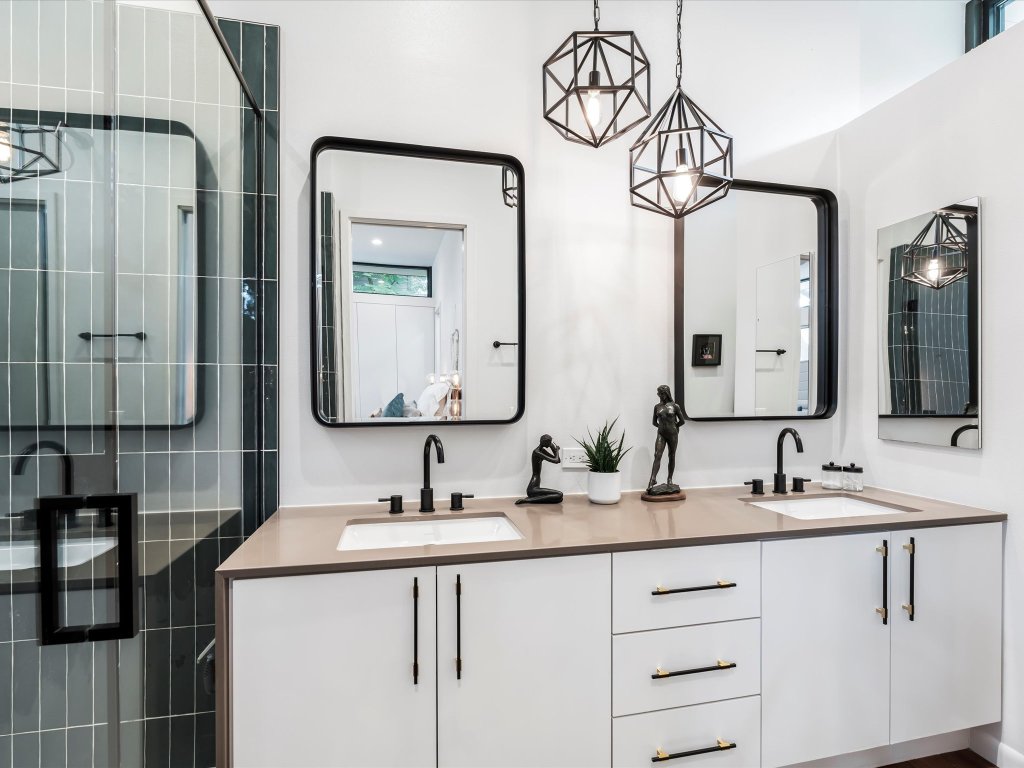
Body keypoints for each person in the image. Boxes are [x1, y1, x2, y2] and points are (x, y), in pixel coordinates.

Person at [647, 385, 684, 493]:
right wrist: (662, 427)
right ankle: (652, 479)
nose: (660, 396)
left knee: (671, 455)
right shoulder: (657, 407)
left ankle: (669, 479)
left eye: (661, 393)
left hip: (672, 434)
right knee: (657, 455)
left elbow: (682, 421)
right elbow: (654, 422)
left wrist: (675, 427)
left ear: (666, 393)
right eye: (659, 393)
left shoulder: (675, 406)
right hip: (661, 434)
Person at [516, 434, 563, 504]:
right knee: (559, 494)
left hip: (536, 486)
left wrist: (553, 448)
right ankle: (527, 500)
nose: (550, 444)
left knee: (559, 499)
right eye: (549, 442)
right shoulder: (537, 452)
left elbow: (558, 460)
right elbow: (555, 460)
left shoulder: (542, 451)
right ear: (544, 442)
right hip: (532, 488)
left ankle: (533, 499)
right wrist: (557, 450)